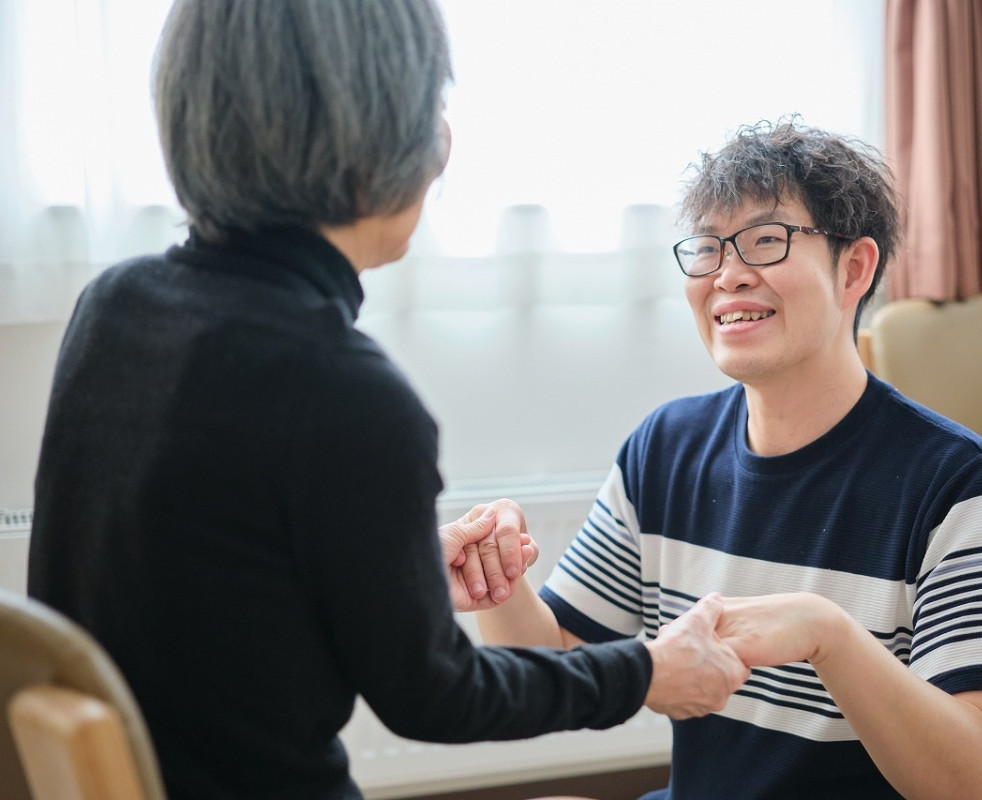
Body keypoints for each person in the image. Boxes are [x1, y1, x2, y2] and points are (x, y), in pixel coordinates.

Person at [25, 2, 749, 799]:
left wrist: (387, 567)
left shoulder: (116, 307)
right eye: (432, 110)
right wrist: (645, 671)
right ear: (375, 143)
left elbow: (189, 581)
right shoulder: (345, 390)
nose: (443, 146)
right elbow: (437, 696)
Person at [474, 118, 982, 799]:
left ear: (855, 269)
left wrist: (827, 635)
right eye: (709, 248)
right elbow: (555, 662)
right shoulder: (663, 449)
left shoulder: (958, 485)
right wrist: (497, 575)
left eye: (765, 240)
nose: (728, 276)